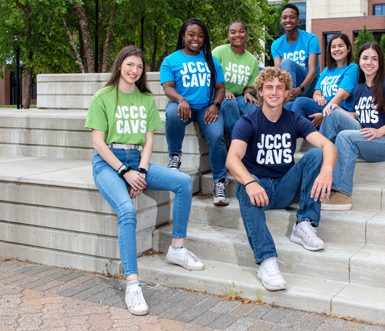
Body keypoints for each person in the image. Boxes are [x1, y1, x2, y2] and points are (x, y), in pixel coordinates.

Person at [86, 46, 204, 316]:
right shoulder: (103, 97)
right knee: (127, 210)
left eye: (139, 67)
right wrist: (123, 172)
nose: (134, 71)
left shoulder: (146, 100)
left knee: (183, 182)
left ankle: (177, 248)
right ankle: (133, 285)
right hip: (108, 162)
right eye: (130, 64)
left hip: (137, 160)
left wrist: (139, 170)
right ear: (119, 65)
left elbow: (149, 139)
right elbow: (97, 143)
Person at [226, 67, 337, 291]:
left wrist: (327, 170)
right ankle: (267, 261)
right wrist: (250, 182)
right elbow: (232, 160)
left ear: (287, 92)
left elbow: (328, 145)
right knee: (242, 186)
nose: (274, 92)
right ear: (260, 91)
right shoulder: (248, 121)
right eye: (269, 87)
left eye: (280, 87)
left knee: (317, 154)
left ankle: (304, 223)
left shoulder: (294, 119)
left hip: (286, 185)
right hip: (259, 188)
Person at [319, 42, 385, 210]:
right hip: (366, 135)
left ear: (380, 62)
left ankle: (341, 194)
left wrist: (380, 130)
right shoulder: (360, 88)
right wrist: (339, 109)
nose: (369, 62)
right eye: (365, 58)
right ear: (359, 61)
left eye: (374, 59)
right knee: (332, 111)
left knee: (345, 137)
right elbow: (356, 115)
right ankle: (316, 175)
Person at [160, 19, 229, 206]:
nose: (196, 39)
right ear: (183, 36)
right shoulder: (170, 60)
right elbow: (167, 88)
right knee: (172, 114)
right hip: (183, 107)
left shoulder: (211, 60)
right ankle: (175, 157)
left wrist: (215, 104)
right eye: (191, 34)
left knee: (216, 137)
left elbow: (221, 88)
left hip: (206, 108)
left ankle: (219, 183)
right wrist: (181, 100)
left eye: (200, 35)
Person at [289, 33, 358, 128]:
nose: (337, 49)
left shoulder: (352, 68)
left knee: (300, 102)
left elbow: (341, 96)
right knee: (288, 106)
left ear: (349, 49)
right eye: (333, 47)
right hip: (323, 108)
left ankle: (290, 137)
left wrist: (323, 114)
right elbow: (316, 93)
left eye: (340, 46)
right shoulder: (327, 70)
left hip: (338, 112)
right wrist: (318, 97)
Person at [212, 20, 261, 140]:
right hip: (217, 93)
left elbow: (250, 86)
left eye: (241, 31)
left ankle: (255, 147)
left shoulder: (252, 60)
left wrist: (249, 92)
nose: (237, 35)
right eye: (233, 32)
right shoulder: (219, 52)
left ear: (246, 35)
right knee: (229, 104)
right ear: (228, 36)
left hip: (239, 95)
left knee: (254, 108)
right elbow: (208, 76)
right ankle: (236, 147)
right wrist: (222, 90)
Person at [271, 3, 321, 102]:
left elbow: (313, 70)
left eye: (292, 17)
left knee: (287, 63)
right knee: (261, 71)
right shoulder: (276, 44)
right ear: (281, 21)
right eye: (284, 18)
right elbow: (278, 69)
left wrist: (299, 89)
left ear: (298, 20)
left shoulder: (311, 39)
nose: (288, 20)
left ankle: (287, 101)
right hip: (289, 84)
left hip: (309, 85)